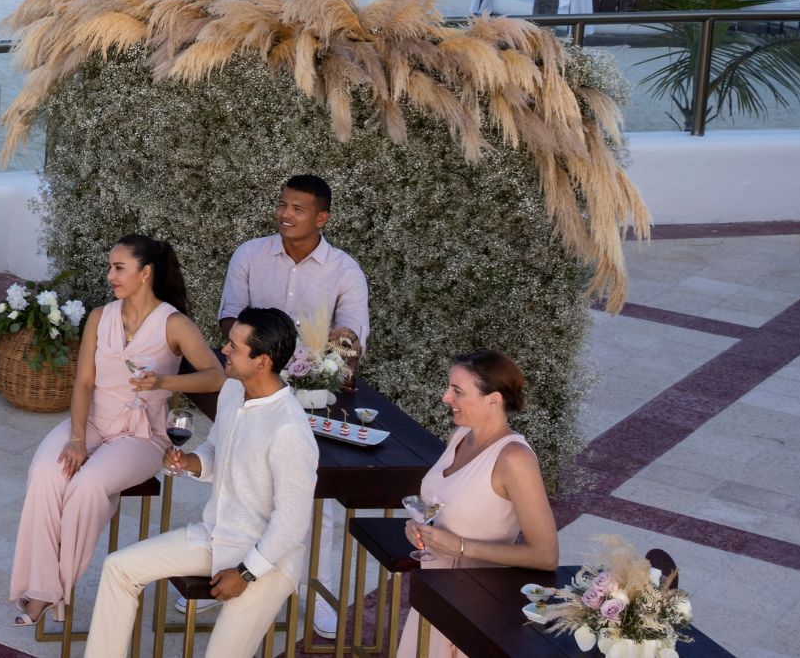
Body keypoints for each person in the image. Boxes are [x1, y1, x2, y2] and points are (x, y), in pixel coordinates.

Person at [6, 235, 223, 627]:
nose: (110, 275)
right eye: (110, 266)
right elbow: (84, 383)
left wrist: (163, 384)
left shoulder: (174, 323)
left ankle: (52, 591)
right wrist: (76, 438)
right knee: (45, 475)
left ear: (145, 273)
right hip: (89, 421)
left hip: (141, 436)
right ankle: (39, 584)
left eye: (118, 268)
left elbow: (215, 376)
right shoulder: (99, 317)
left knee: (87, 487)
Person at [83, 307, 319, 658]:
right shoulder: (232, 392)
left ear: (262, 361)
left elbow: (292, 523)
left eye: (234, 347)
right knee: (118, 568)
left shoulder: (289, 430)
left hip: (267, 561)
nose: (223, 349)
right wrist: (192, 462)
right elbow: (215, 449)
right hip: (215, 534)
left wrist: (245, 573)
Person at [399, 351, 560, 658]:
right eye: (449, 388)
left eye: (457, 391)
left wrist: (459, 546)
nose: (446, 397)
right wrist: (422, 529)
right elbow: (446, 504)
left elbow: (546, 555)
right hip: (435, 591)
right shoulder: (459, 436)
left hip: (477, 605)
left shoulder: (515, 459)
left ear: (494, 399)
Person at [218, 173, 370, 371]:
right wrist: (260, 352)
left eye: (297, 209)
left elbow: (350, 339)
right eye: (282, 205)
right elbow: (230, 316)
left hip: (314, 382)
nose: (285, 214)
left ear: (321, 218)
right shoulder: (249, 254)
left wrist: (319, 361)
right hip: (254, 371)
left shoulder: (346, 271)